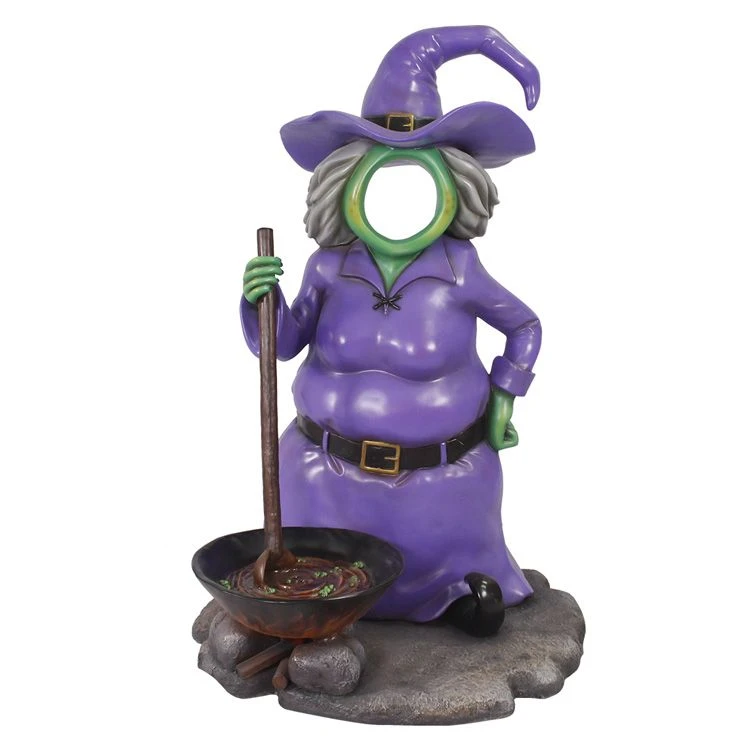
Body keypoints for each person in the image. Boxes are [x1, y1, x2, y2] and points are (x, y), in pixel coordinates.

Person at [241, 26, 542, 636]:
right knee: (321, 566)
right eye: (383, 179)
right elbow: (281, 345)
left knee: (448, 557)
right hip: (323, 473)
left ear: (449, 186)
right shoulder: (328, 268)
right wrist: (259, 300)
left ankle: (454, 593)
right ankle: (323, 605)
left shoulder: (460, 269)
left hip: (441, 479)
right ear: (350, 184)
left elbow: (525, 325)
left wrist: (505, 396)